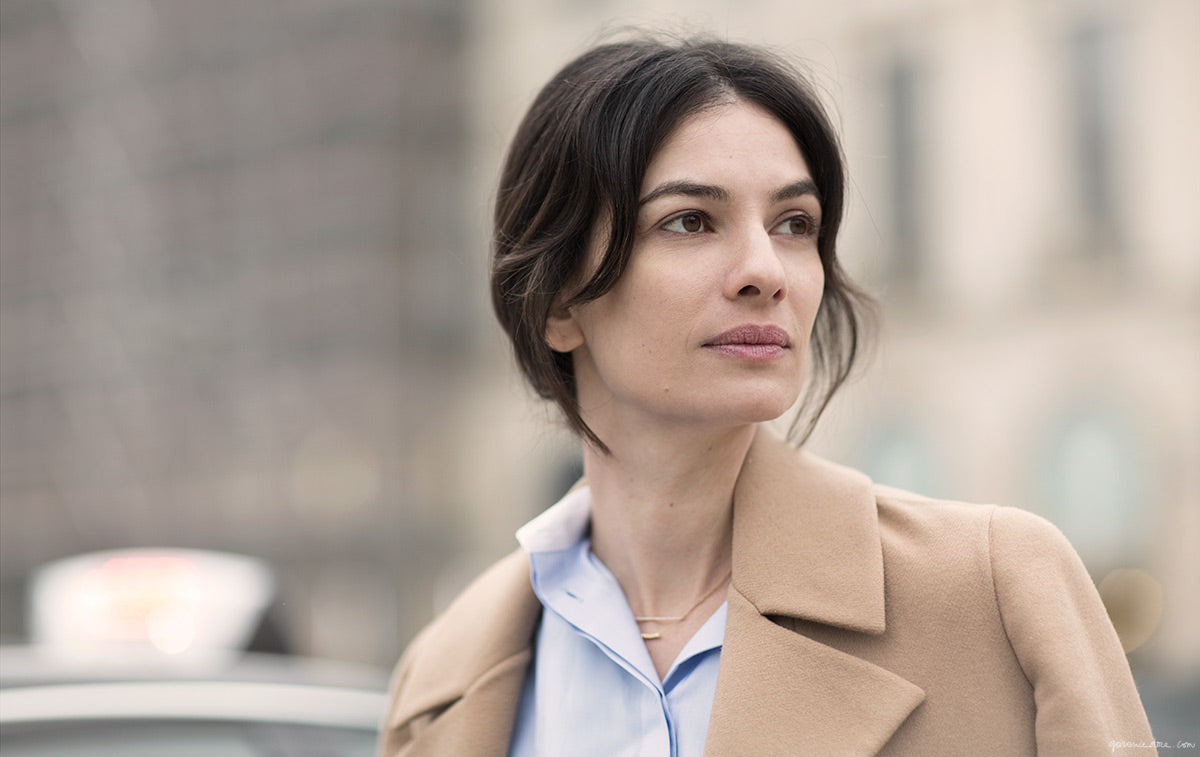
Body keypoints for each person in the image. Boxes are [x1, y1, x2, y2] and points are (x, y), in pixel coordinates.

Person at [379, 36, 1155, 756]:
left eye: (794, 223)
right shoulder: (442, 679)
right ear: (557, 303)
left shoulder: (995, 593)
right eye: (689, 221)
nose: (767, 270)